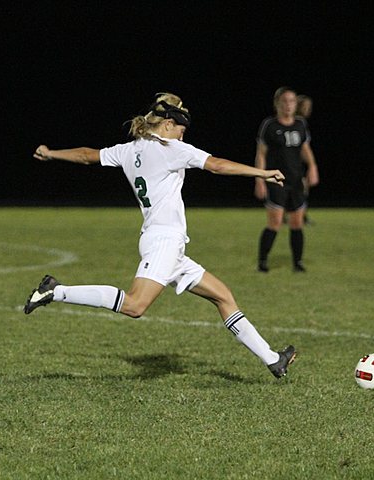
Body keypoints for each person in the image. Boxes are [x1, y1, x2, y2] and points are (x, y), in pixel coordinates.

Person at [26, 92, 296, 379]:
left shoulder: (129, 149)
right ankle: (56, 290)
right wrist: (262, 173)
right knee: (135, 306)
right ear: (168, 124)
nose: (183, 135)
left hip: (166, 244)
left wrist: (51, 153)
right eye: (182, 129)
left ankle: (272, 359)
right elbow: (217, 165)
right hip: (163, 242)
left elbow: (85, 156)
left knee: (223, 296)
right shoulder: (171, 149)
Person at [255, 87, 319, 272]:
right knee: (275, 223)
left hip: (296, 181)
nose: (289, 105)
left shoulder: (300, 125)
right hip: (276, 180)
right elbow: (261, 154)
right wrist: (259, 179)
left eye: (292, 101)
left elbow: (305, 149)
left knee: (297, 223)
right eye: (285, 101)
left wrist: (313, 167)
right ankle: (262, 261)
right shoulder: (269, 125)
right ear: (277, 104)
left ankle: (297, 263)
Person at [296, 94, 315, 226]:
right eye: (306, 107)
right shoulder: (297, 122)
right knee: (301, 190)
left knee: (301, 190)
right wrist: (311, 164)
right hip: (294, 163)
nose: (308, 109)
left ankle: (300, 215)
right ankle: (300, 216)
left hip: (298, 163)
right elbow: (303, 147)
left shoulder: (300, 122)